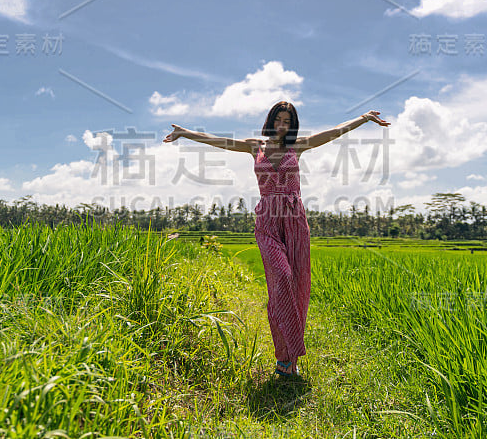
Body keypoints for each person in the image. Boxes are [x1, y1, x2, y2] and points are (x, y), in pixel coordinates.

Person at [163, 101, 390, 378]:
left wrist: (364, 118)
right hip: (268, 220)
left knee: (296, 287)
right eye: (279, 120)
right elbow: (219, 141)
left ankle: (288, 360)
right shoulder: (254, 146)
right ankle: (285, 352)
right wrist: (185, 133)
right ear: (271, 121)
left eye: (288, 122)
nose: (282, 126)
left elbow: (334, 132)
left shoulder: (298, 146)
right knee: (280, 280)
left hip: (295, 221)